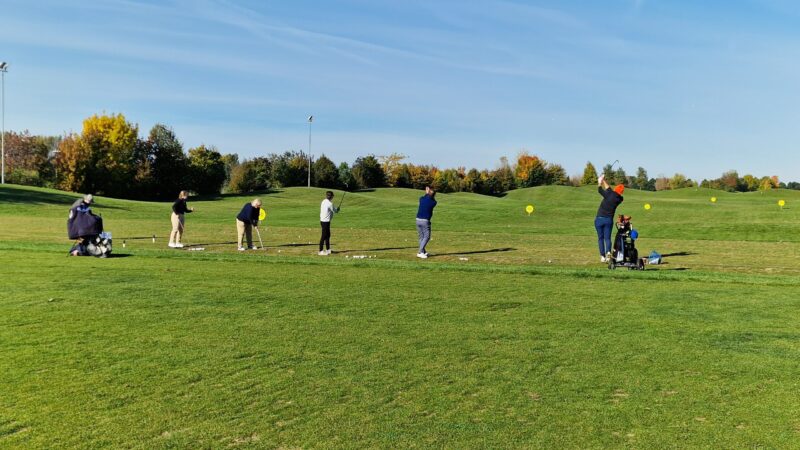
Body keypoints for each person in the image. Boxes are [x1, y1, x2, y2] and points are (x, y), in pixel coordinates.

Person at [595, 175, 624, 262]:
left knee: (600, 238)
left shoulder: (610, 193)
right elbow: (609, 189)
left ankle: (602, 256)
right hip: (609, 220)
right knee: (607, 238)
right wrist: (603, 180)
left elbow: (600, 190)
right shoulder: (620, 199)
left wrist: (599, 182)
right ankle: (608, 253)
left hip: (599, 219)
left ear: (615, 189)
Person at [416, 186, 437, 259]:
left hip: (417, 220)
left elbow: (424, 197)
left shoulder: (421, 199)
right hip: (425, 221)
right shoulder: (434, 202)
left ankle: (423, 251)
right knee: (427, 237)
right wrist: (429, 192)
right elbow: (431, 198)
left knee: (421, 237)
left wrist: (426, 192)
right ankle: (420, 252)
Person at [319, 191, 340, 255]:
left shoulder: (323, 201)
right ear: (331, 196)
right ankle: (320, 251)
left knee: (328, 235)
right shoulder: (330, 204)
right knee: (323, 236)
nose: (333, 197)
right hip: (325, 222)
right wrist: (337, 209)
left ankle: (328, 250)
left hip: (323, 221)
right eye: (332, 196)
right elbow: (334, 211)